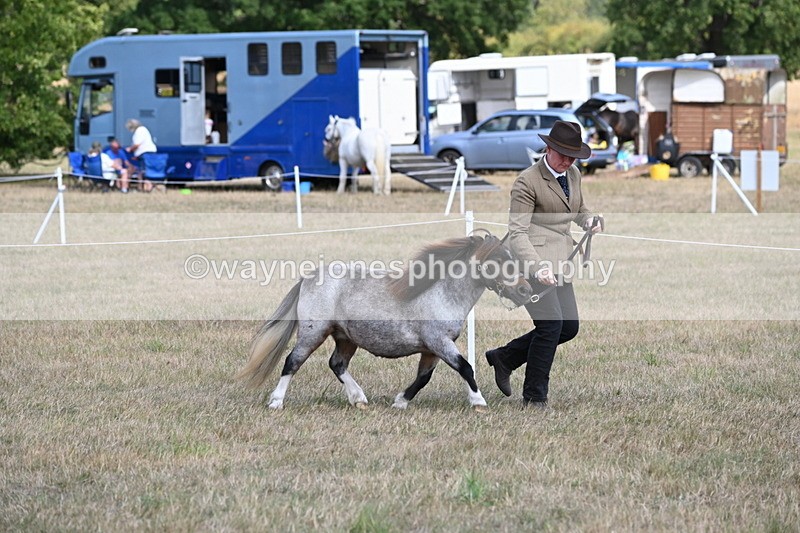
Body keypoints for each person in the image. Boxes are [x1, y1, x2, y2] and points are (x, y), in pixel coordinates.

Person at [485, 120, 604, 410]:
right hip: (532, 266)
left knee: (569, 327)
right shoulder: (527, 181)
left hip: (561, 263)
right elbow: (517, 232)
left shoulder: (572, 173)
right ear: (548, 149)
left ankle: (505, 357)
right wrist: (538, 267)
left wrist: (588, 219)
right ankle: (535, 397)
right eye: (562, 155)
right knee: (550, 326)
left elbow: (577, 208)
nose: (567, 161)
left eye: (573, 156)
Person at [125, 119, 157, 191]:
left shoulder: (139, 131)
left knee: (143, 171)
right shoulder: (143, 129)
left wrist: (130, 149)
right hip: (148, 153)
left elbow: (137, 144)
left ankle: (145, 187)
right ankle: (144, 186)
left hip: (145, 153)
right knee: (146, 170)